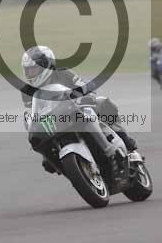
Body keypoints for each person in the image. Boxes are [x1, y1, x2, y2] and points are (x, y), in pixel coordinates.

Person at [20, 45, 138, 174]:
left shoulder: (62, 73)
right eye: (28, 70)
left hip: (74, 111)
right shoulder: (27, 91)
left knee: (103, 103)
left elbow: (84, 85)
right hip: (54, 122)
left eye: (34, 69)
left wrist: (85, 95)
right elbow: (35, 111)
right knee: (48, 163)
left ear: (47, 65)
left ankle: (127, 144)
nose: (30, 73)